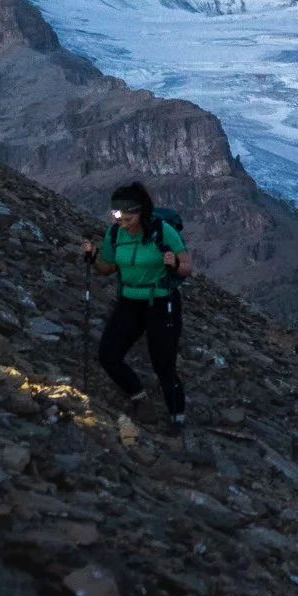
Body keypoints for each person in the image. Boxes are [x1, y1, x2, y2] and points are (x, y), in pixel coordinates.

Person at [81, 180, 192, 426]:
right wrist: (94, 256)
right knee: (108, 354)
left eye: (128, 220)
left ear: (142, 213)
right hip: (129, 302)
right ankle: (139, 397)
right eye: (119, 219)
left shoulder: (163, 232)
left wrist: (173, 264)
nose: (123, 225)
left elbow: (186, 268)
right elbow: (108, 268)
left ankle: (177, 417)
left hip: (161, 303)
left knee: (163, 365)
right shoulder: (115, 233)